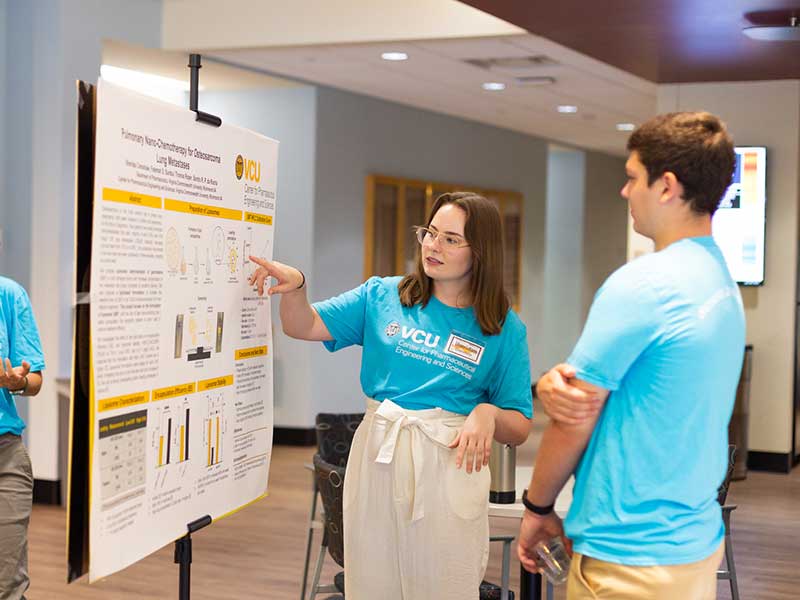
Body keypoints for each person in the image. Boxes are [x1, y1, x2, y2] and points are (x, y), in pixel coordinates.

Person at [250, 192, 533, 599]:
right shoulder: (383, 295)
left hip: (449, 463)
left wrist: (487, 413)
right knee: (374, 579)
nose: (433, 246)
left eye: (451, 239)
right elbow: (304, 325)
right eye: (430, 233)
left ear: (482, 251)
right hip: (379, 453)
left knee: (444, 582)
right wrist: (297, 287)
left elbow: (520, 425)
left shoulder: (503, 328)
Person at [517, 112, 745, 599]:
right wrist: (555, 380)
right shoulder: (719, 278)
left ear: (666, 186)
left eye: (631, 178)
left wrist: (537, 508)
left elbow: (574, 416)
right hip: (690, 546)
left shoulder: (644, 283)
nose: (625, 192)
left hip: (628, 560)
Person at [0, 276, 45, 600]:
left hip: (5, 453)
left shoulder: (9, 294)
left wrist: (16, 381)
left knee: (8, 585)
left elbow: (35, 379)